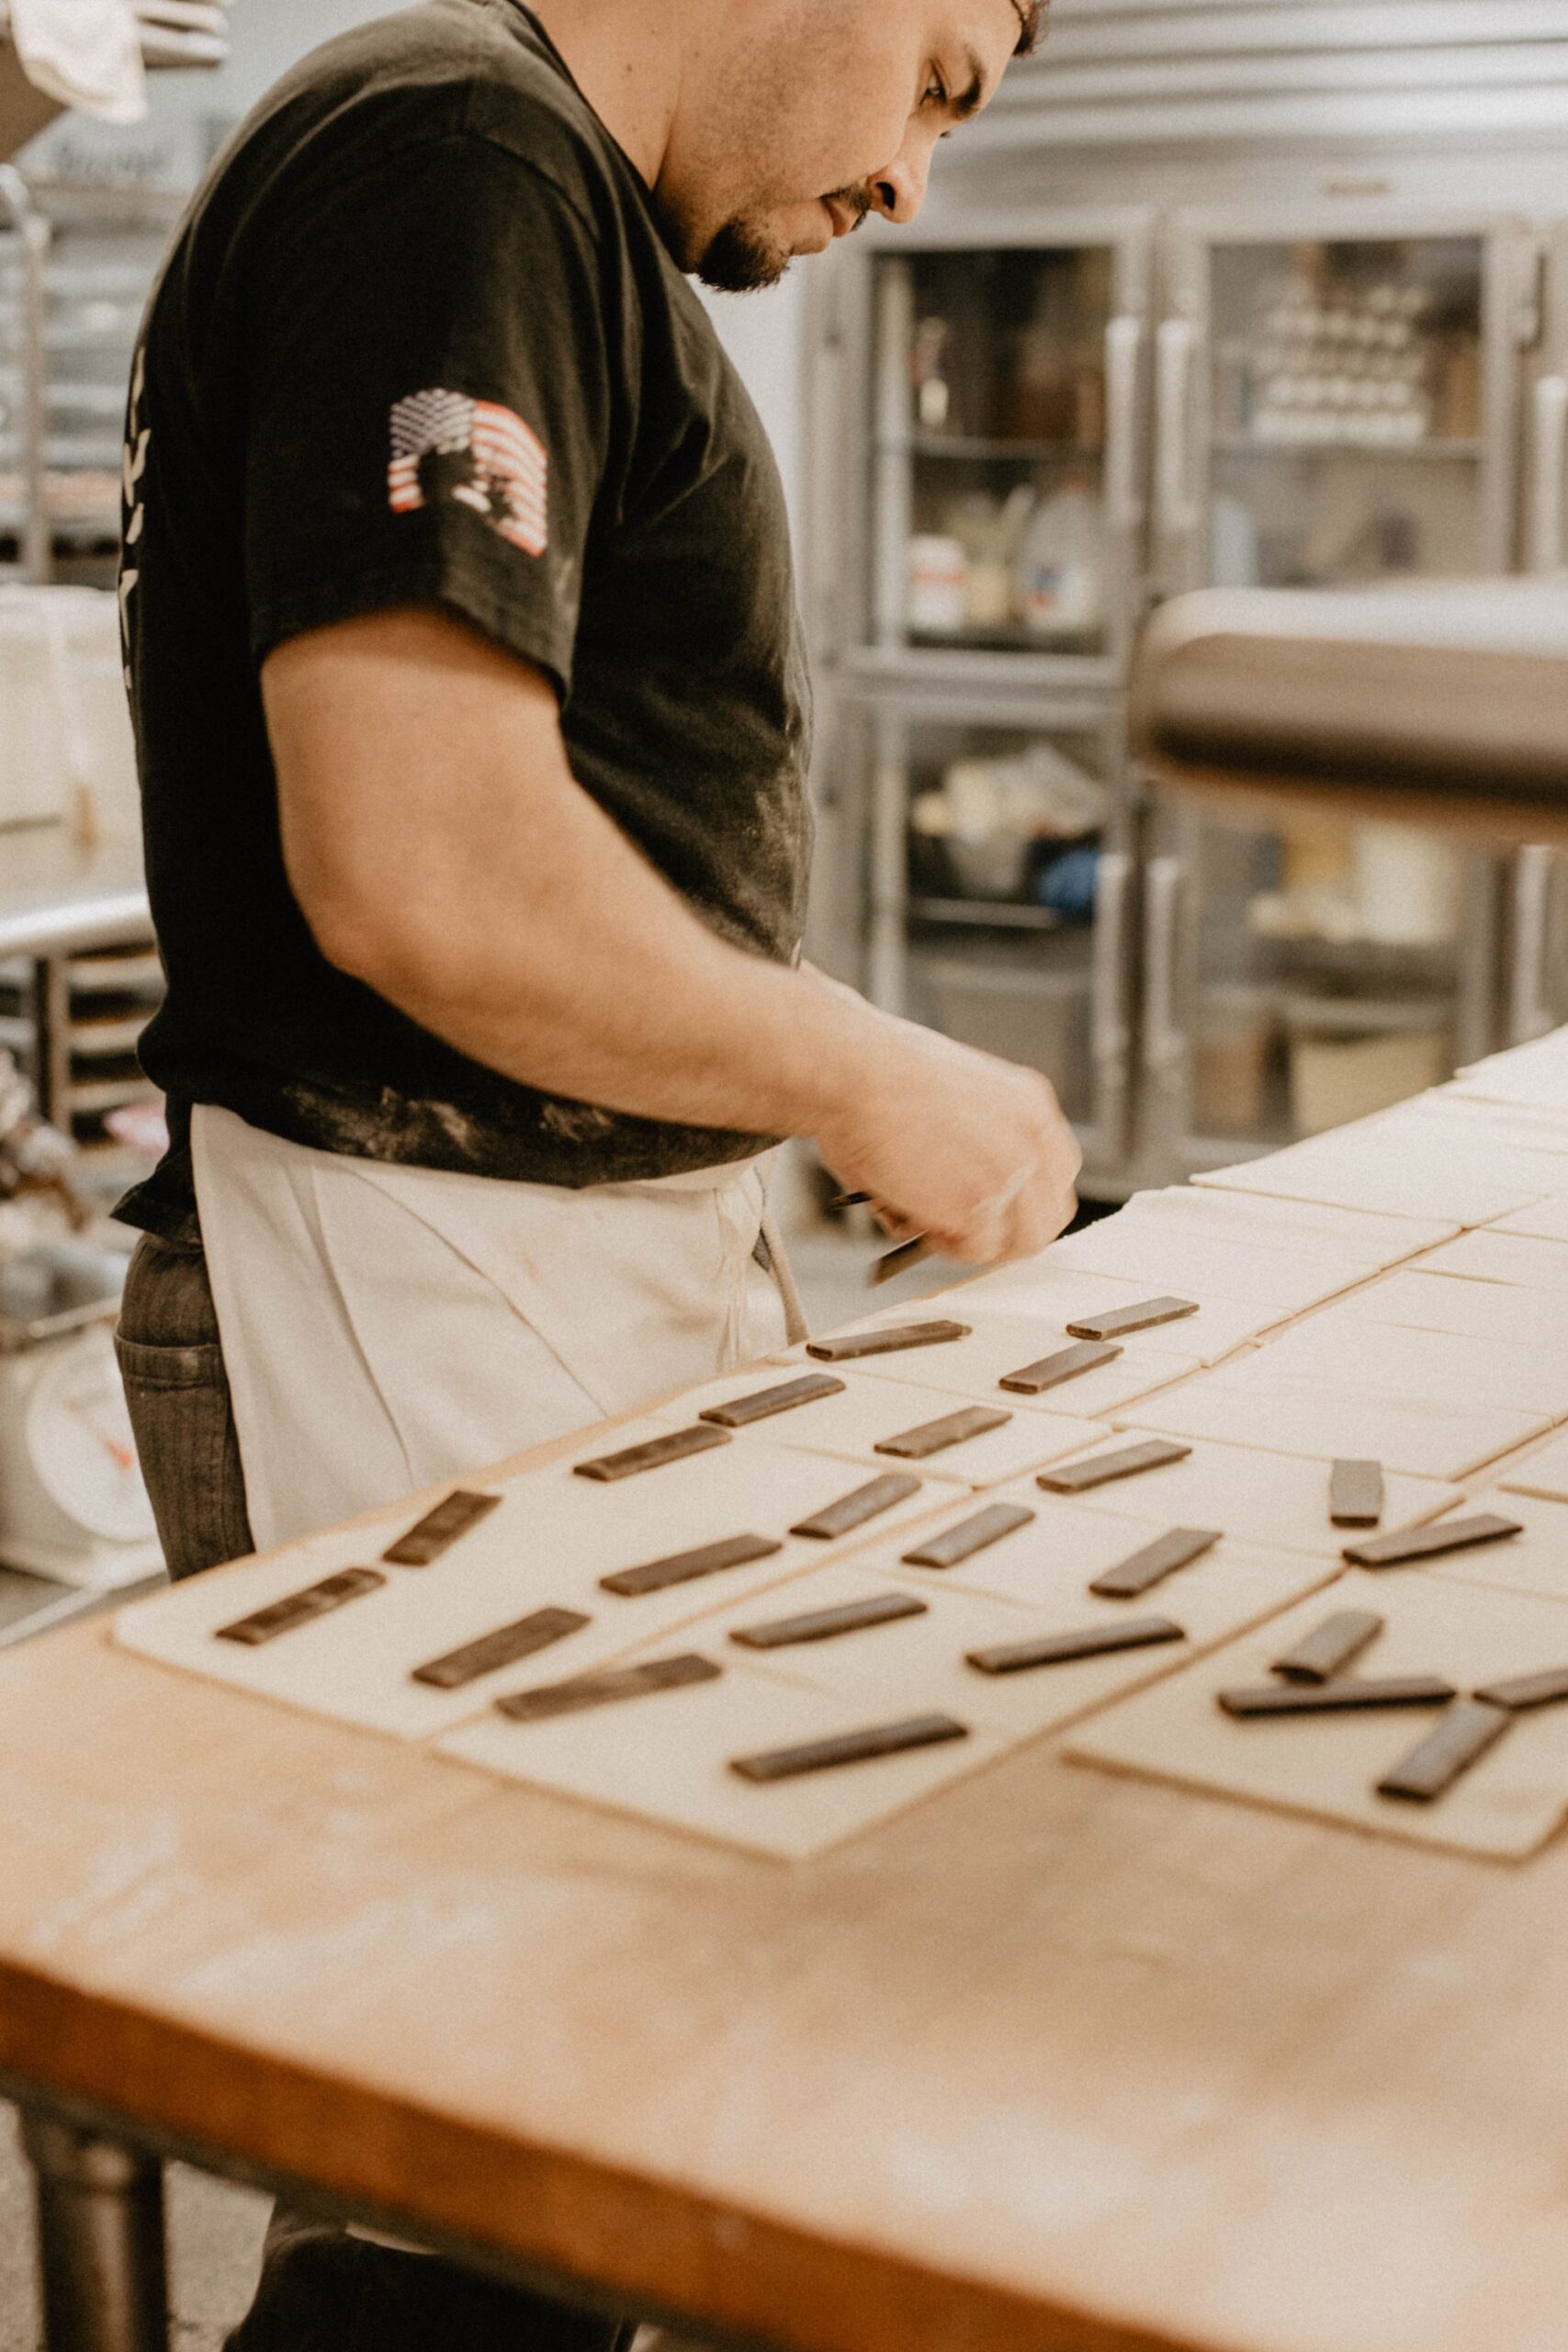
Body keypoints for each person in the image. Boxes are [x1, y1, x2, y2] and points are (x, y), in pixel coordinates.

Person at [112, 0, 1077, 2342]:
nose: (907, 188)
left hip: (529, 1277)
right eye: (934, 81)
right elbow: (423, 872)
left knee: (564, 2160)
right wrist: (856, 1071)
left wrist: (739, 1084)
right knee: (471, 2209)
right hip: (399, 1273)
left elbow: (563, 842)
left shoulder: (533, 199)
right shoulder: (460, 155)